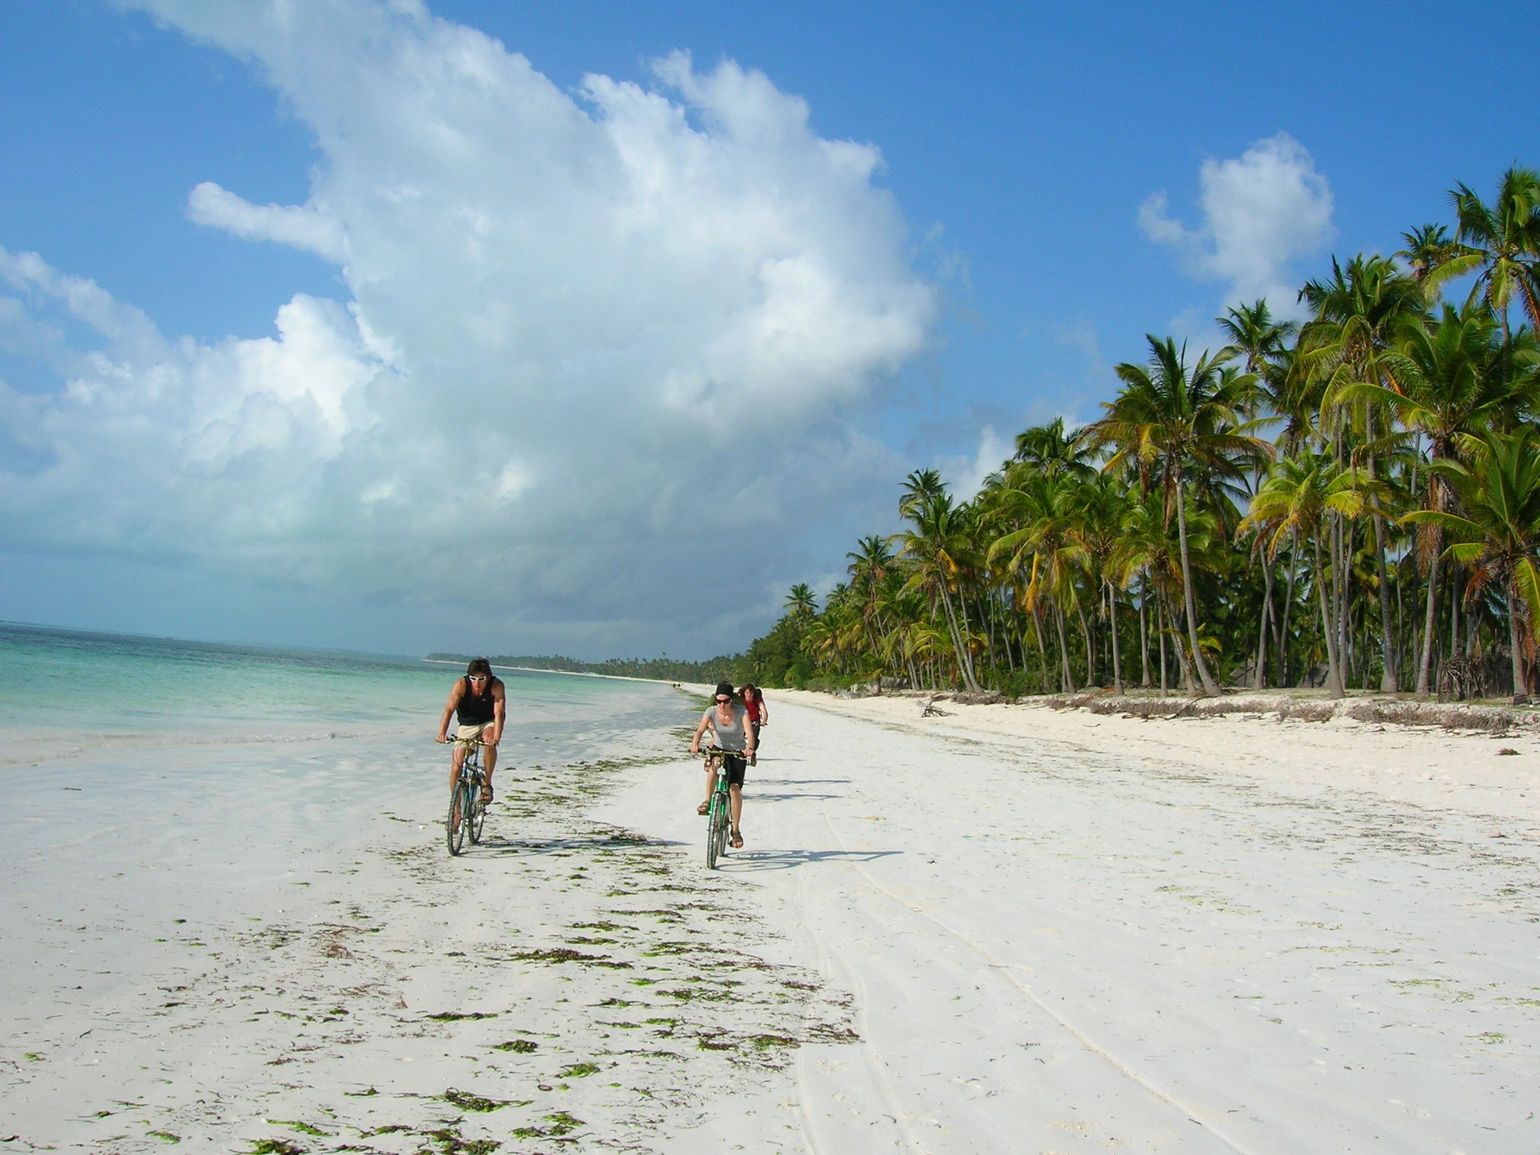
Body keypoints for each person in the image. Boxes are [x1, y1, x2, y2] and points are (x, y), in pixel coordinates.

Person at [688, 681, 756, 849]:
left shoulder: (741, 712)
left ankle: (735, 829)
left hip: (737, 751)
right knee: (715, 763)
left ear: (731, 700)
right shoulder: (711, 712)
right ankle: (707, 801)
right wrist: (694, 744)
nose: (722, 705)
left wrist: (750, 748)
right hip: (719, 748)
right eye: (719, 701)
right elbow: (700, 730)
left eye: (725, 701)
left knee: (734, 789)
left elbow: (749, 732)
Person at [435, 657, 507, 804]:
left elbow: (499, 713)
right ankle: (455, 807)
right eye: (473, 679)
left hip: (488, 722)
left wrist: (496, 737)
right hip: (467, 724)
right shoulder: (461, 684)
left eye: (481, 679)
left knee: (489, 741)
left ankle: (487, 783)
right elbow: (449, 709)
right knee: (457, 766)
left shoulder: (496, 685)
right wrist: (442, 733)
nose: (477, 683)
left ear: (488, 677)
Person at [739, 683, 769, 764]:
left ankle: (752, 753)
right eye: (747, 693)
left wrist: (764, 721)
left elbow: (763, 710)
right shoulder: (740, 699)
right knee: (739, 737)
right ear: (744, 693)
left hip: (755, 721)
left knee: (754, 737)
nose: (749, 695)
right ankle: (741, 751)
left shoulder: (757, 698)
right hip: (743, 721)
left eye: (751, 693)